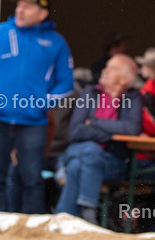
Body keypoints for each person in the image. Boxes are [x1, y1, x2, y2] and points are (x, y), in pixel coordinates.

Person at [0, 0, 74, 213]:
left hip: (33, 121)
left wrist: (43, 103)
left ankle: (30, 226)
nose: (20, 10)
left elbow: (66, 83)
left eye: (27, 7)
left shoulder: (56, 42)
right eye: (19, 5)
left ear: (42, 14)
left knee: (31, 177)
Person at [55, 55, 142, 223]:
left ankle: (64, 217)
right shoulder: (90, 93)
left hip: (112, 161)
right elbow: (76, 131)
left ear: (125, 79)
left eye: (113, 68)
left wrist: (94, 123)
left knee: (76, 166)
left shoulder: (133, 98)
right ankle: (88, 209)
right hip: (78, 150)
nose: (105, 70)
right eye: (107, 66)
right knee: (90, 150)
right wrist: (111, 132)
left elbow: (132, 129)